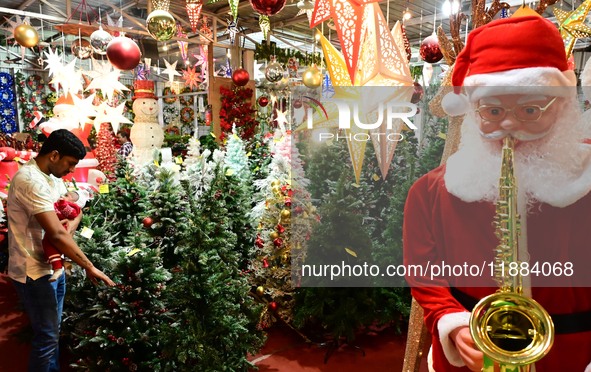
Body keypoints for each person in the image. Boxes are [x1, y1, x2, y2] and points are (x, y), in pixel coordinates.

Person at [403, 16, 591, 372]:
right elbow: (425, 277)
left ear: (562, 104)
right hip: (473, 357)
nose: (509, 125)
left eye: (530, 110)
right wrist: (454, 326)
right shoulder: (428, 193)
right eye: (492, 111)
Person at [7, 129, 115, 372]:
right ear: (54, 155)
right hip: (33, 270)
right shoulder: (30, 180)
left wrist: (71, 221)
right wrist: (89, 266)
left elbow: (72, 216)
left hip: (52, 266)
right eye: (70, 163)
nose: (72, 171)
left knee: (52, 334)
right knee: (46, 337)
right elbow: (56, 233)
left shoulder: (52, 177)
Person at [42, 190, 83, 282]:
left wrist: (63, 203)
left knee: (50, 245)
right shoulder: (57, 204)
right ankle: (60, 264)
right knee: (48, 247)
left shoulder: (73, 206)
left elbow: (71, 214)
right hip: (55, 227)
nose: (62, 196)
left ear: (73, 201)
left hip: (61, 229)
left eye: (66, 195)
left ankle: (58, 267)